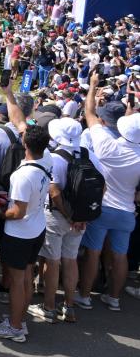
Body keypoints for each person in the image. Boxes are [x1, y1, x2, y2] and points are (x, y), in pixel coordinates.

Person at [73, 71, 140, 311]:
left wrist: (92, 86)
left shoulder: (107, 144)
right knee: (120, 255)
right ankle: (114, 298)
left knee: (93, 252)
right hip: (127, 211)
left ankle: (85, 296)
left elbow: (90, 114)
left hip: (103, 207)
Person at [0, 125, 52, 343]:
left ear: (25, 144)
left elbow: (17, 212)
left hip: (20, 233)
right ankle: (19, 319)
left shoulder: (22, 176)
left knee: (17, 281)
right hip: (37, 228)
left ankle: (14, 327)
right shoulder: (46, 161)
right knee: (26, 277)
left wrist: (2, 212)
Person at [28, 118, 85, 324]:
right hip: (79, 220)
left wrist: (68, 215)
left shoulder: (53, 157)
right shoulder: (88, 155)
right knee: (70, 260)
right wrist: (80, 215)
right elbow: (101, 187)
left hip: (57, 216)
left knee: (52, 260)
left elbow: (53, 191)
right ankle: (69, 307)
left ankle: (49, 307)